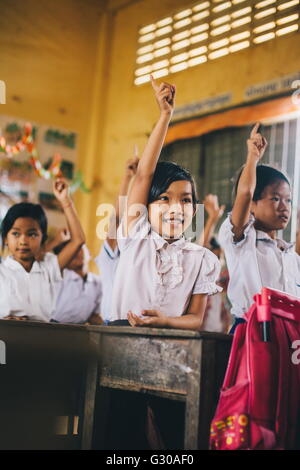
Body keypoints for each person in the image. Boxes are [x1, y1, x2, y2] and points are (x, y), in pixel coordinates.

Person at [110, 76, 221, 330]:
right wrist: (165, 115)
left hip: (170, 345)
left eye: (186, 200)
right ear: (145, 207)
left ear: (194, 209)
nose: (176, 208)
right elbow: (144, 176)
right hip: (117, 338)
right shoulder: (136, 237)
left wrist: (167, 321)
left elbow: (195, 318)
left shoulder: (201, 259)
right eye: (164, 198)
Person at [218, 123, 300, 333]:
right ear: (252, 205)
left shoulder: (291, 256)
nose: (284, 207)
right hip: (251, 331)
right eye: (275, 198)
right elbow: (244, 193)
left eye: (288, 200)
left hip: (288, 335)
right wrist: (253, 157)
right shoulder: (241, 241)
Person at [0, 179, 85, 322]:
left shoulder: (48, 266)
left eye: (32, 234)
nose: (23, 241)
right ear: (5, 239)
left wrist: (65, 201)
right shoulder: (2, 271)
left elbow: (78, 240)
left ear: (42, 238)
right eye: (15, 233)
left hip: (43, 337)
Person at [94, 155, 139, 324]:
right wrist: (128, 179)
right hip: (112, 322)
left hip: (135, 323)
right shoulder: (112, 256)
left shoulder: (139, 253)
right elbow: (117, 219)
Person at [198, 194, 231, 333]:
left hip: (220, 333)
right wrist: (213, 219)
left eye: (219, 256)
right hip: (201, 332)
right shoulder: (202, 278)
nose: (217, 260)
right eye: (214, 255)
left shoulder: (224, 280)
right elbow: (202, 248)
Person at [51, 241, 103, 325]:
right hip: (53, 326)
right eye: (71, 251)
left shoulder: (98, 282)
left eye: (79, 248)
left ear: (89, 253)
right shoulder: (60, 276)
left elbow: (93, 316)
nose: (75, 253)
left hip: (79, 330)